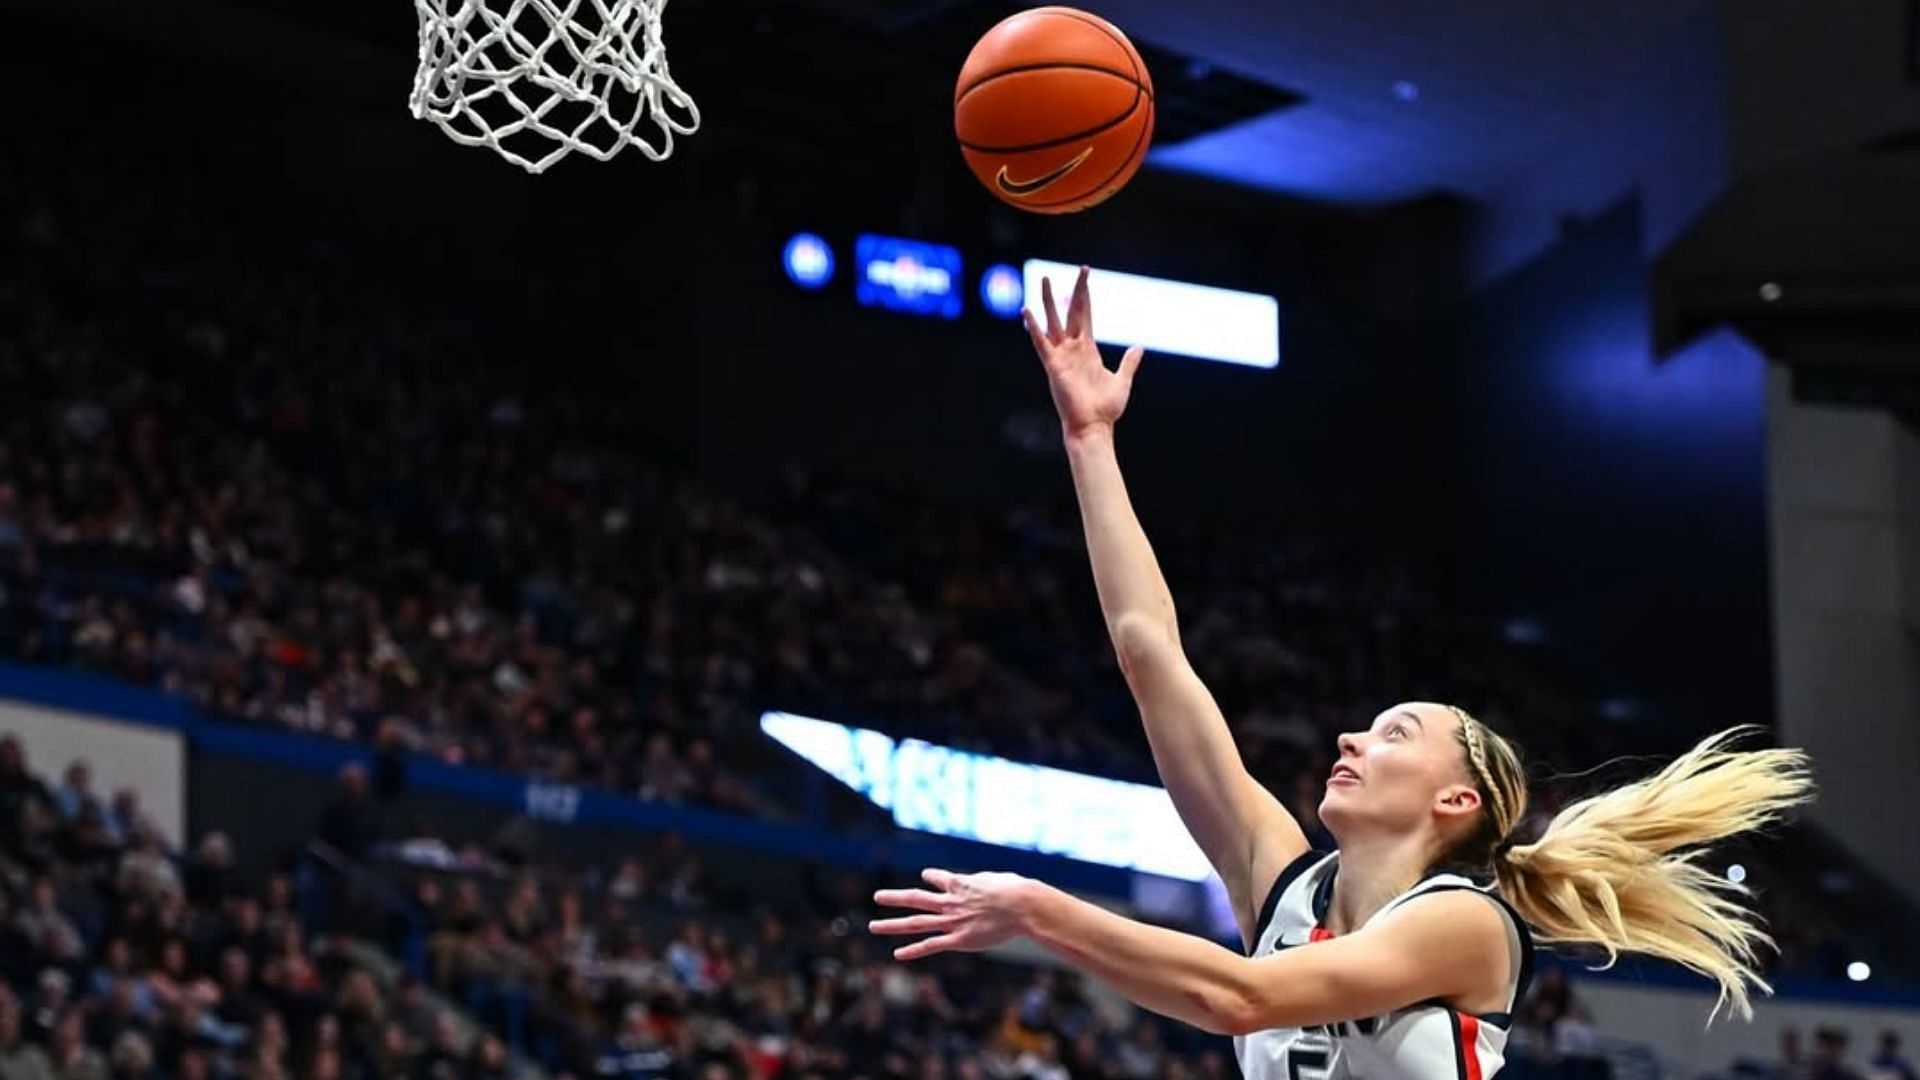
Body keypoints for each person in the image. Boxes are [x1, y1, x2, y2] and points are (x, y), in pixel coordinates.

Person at [870, 268, 1815, 1080]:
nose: (1350, 738)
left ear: (1457, 803)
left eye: (1396, 731)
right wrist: (1090, 443)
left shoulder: (1464, 925)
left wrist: (1041, 909)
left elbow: (1236, 998)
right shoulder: (1280, 886)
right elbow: (1146, 649)